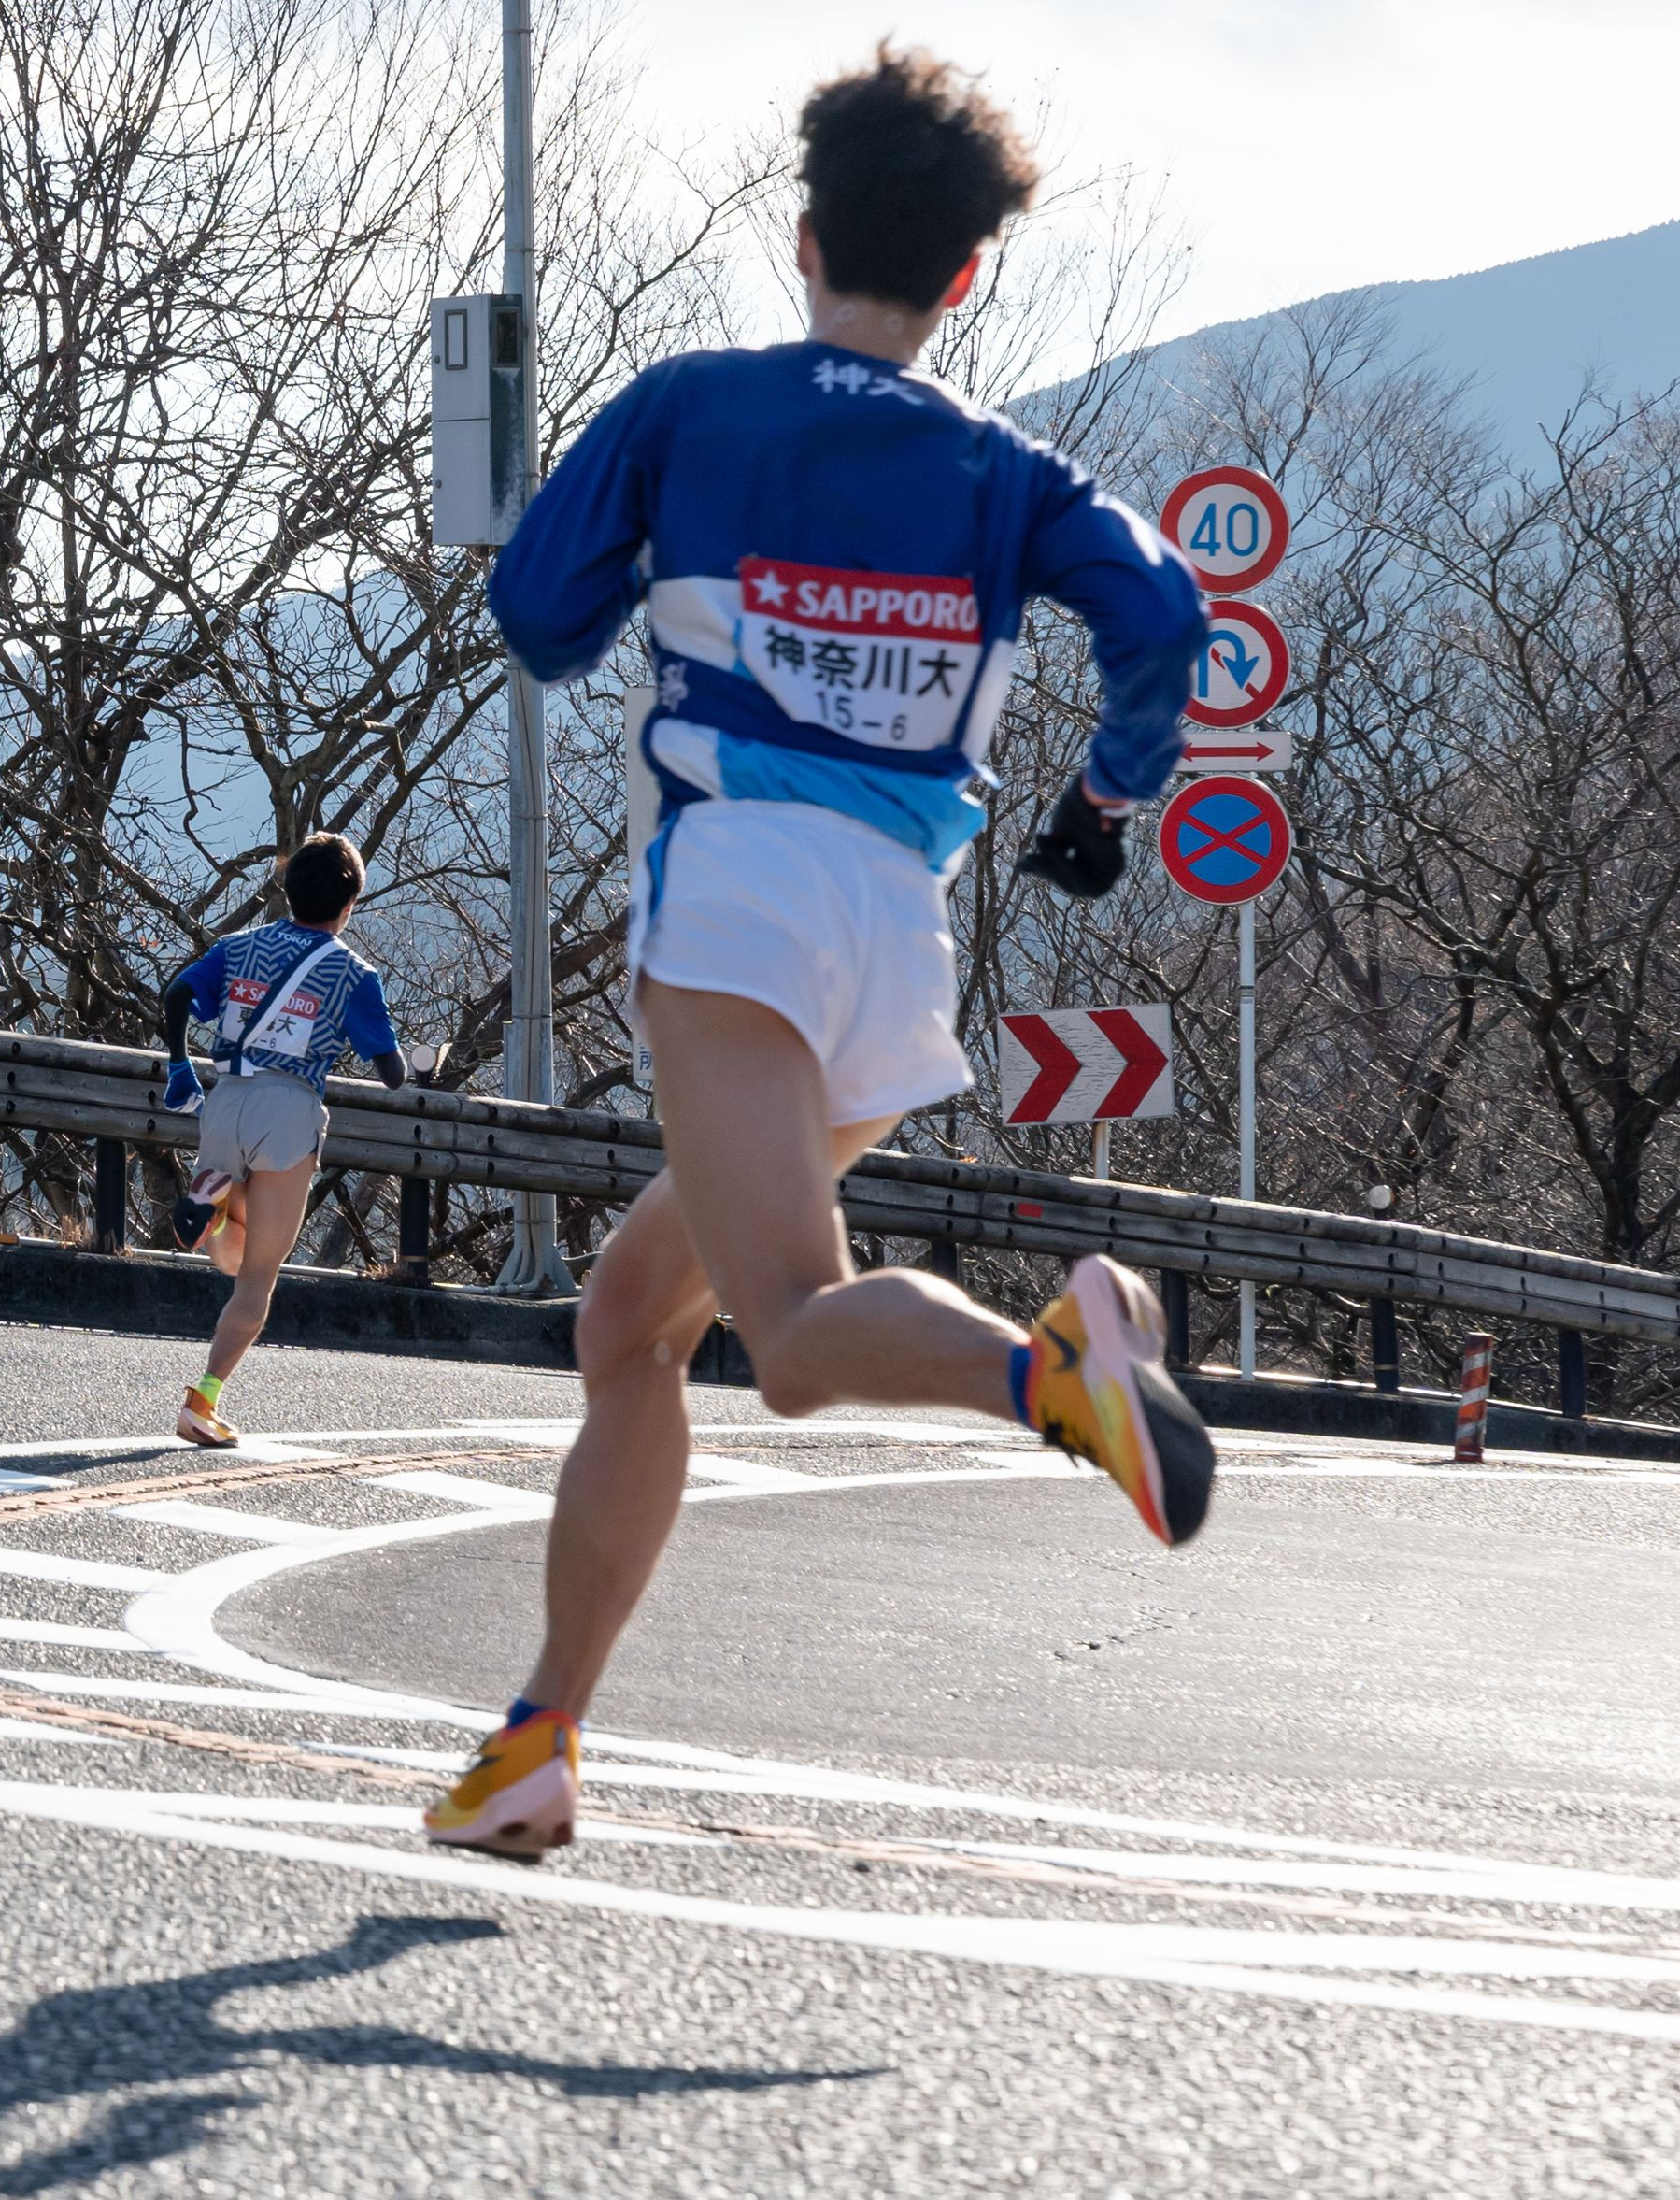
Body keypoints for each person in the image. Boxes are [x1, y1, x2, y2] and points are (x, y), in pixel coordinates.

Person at [424, 48, 1217, 1863]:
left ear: (803, 238)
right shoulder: (1008, 470)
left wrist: (652, 563)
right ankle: (535, 1741)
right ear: (965, 276)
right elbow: (1162, 614)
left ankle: (1057, 1369)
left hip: (736, 897)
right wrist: (1103, 797)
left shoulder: (691, 406)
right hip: (889, 930)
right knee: (632, 1319)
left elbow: (536, 615)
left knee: (786, 1335)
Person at [157, 832, 407, 1449]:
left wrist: (179, 1063)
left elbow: (179, 992)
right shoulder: (352, 973)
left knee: (232, 1253)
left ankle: (219, 1210)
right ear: (348, 904)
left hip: (226, 1099)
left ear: (288, 891)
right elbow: (391, 1072)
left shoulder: (238, 947)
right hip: (290, 1109)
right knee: (257, 1277)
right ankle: (203, 1400)